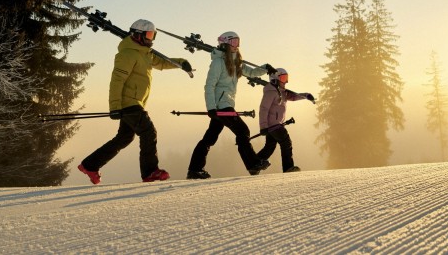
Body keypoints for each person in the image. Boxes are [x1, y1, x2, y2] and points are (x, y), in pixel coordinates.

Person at [77, 19, 192, 184]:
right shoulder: (127, 54)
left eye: (153, 35)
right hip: (128, 103)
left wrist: (181, 63)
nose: (151, 39)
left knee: (124, 138)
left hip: (135, 102)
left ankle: (90, 165)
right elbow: (117, 80)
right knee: (148, 132)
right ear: (138, 35)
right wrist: (115, 106)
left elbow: (161, 62)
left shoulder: (144, 53)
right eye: (149, 35)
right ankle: (150, 172)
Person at [186, 31, 276, 179]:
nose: (237, 45)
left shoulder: (236, 62)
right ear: (226, 43)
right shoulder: (218, 62)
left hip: (225, 104)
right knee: (242, 131)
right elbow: (209, 86)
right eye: (234, 42)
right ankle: (252, 164)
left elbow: (252, 73)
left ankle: (195, 169)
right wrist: (211, 108)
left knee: (209, 138)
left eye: (238, 42)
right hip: (221, 106)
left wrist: (266, 68)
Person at [255, 68, 315, 173]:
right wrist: (263, 126)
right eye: (283, 78)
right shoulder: (271, 92)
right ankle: (288, 168)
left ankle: (255, 164)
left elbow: (293, 96)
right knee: (286, 143)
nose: (286, 81)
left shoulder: (281, 92)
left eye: (286, 78)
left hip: (274, 125)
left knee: (270, 146)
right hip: (273, 125)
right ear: (275, 79)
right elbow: (263, 109)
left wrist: (306, 95)